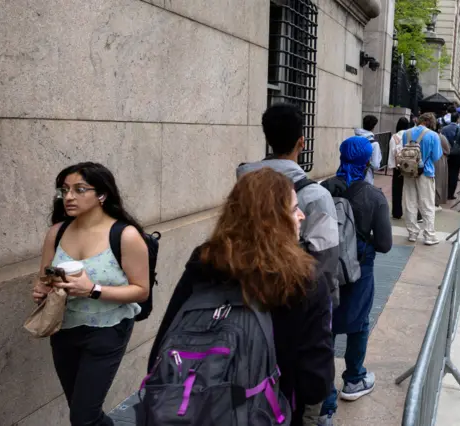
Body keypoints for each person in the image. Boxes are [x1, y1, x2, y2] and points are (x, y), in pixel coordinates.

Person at [149, 168, 334, 425]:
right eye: (293, 209)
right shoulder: (306, 281)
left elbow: (164, 342)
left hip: (193, 408)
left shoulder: (204, 261)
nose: (301, 215)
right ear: (274, 220)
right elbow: (316, 384)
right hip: (271, 413)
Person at [236, 104, 339, 424]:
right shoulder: (316, 196)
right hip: (294, 310)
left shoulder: (244, 181)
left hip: (246, 300)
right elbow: (324, 261)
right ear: (301, 142)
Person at [32, 162, 149, 426]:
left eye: (79, 189)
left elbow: (141, 291)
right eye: (64, 190)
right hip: (63, 329)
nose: (69, 197)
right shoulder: (57, 232)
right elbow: (44, 279)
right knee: (82, 413)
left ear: (102, 195)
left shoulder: (125, 235)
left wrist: (92, 290)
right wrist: (42, 291)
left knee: (83, 417)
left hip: (107, 330)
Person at [319, 137, 392, 422]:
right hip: (360, 269)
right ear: (367, 161)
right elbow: (385, 244)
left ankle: (325, 399)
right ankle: (354, 379)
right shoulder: (374, 197)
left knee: (325, 327)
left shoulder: (323, 189)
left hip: (326, 268)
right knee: (359, 322)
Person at [402, 113, 444, 244]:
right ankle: (429, 235)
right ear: (430, 122)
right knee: (427, 204)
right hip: (426, 172)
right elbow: (436, 156)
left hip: (408, 171)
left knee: (409, 203)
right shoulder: (433, 135)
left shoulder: (406, 133)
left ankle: (412, 233)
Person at [388, 117, 411, 219]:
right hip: (410, 165)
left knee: (397, 190)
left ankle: (397, 212)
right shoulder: (411, 136)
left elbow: (392, 152)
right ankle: (411, 212)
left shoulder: (394, 137)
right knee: (410, 190)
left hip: (398, 167)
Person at [442, 113, 460, 200]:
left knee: (446, 173)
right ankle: (450, 194)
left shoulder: (444, 129)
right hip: (456, 154)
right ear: (457, 119)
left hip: (446, 154)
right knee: (454, 174)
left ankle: (443, 192)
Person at [354, 115, 382, 184]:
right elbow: (375, 165)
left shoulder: (354, 138)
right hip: (366, 177)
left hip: (353, 175)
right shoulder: (374, 144)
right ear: (373, 127)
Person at [435, 117, 451, 209]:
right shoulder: (441, 137)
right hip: (440, 160)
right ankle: (436, 201)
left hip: (431, 160)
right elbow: (448, 150)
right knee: (439, 181)